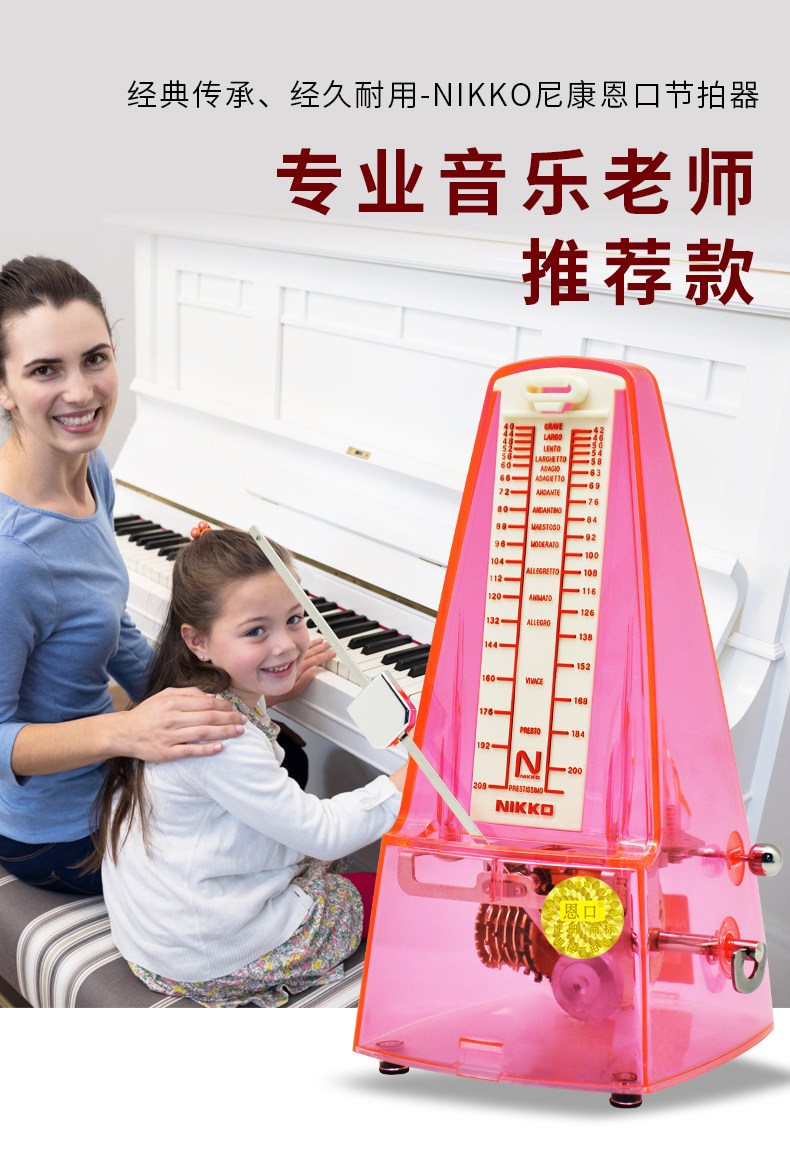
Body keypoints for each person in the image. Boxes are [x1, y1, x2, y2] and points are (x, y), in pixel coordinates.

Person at [0, 255, 329, 894]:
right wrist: (128, 730)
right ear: (4, 387)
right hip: (56, 833)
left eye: (94, 359)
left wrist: (234, 684)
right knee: (278, 793)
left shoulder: (89, 471)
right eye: (45, 370)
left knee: (283, 756)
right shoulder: (12, 557)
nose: (81, 392)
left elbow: (110, 626)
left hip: (107, 765)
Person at [95, 529, 407, 1007]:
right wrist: (402, 784)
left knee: (327, 854)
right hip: (205, 955)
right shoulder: (224, 741)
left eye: (295, 619)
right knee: (364, 893)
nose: (286, 646)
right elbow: (323, 834)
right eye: (256, 631)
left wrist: (268, 694)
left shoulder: (182, 700)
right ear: (199, 641)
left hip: (163, 928)